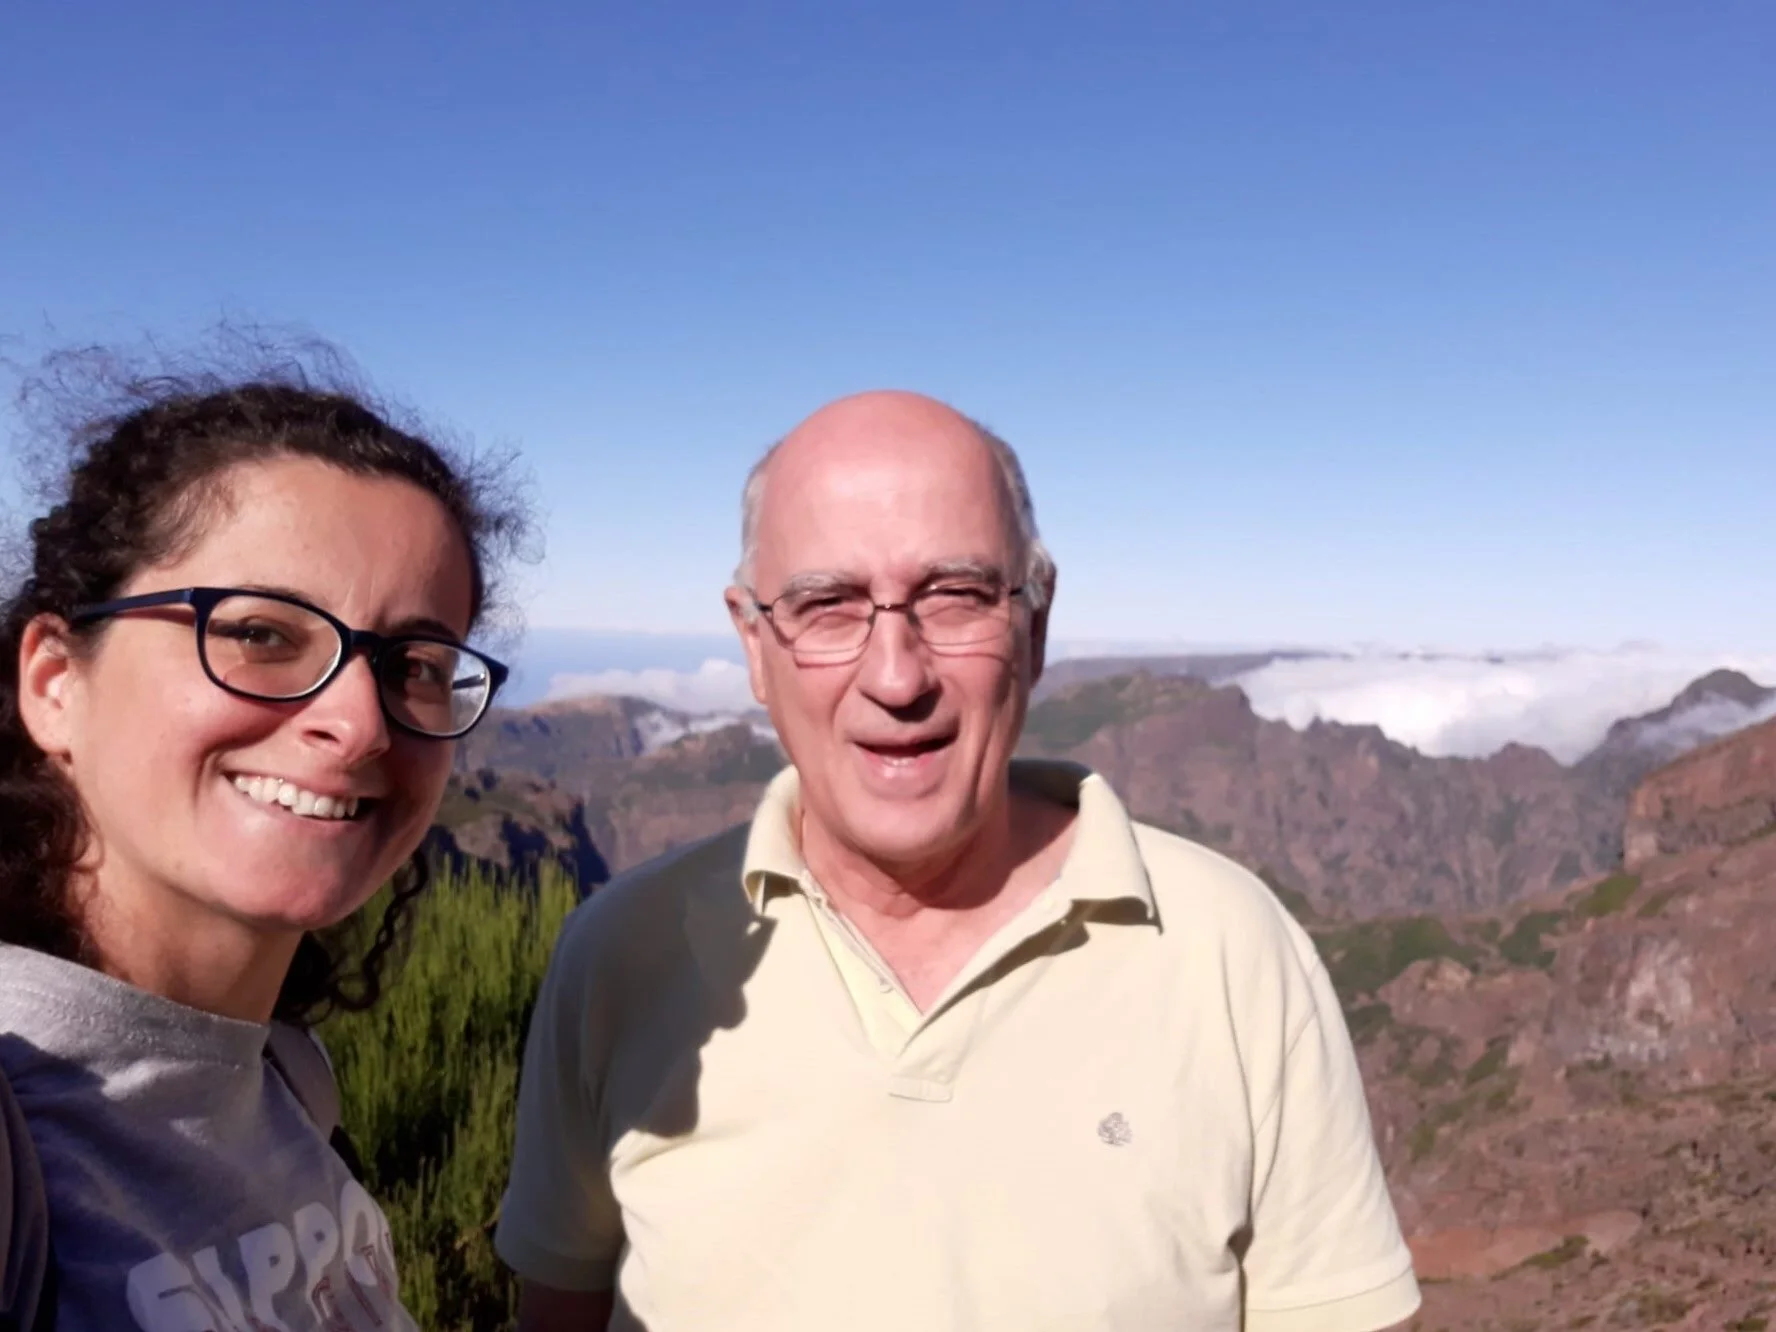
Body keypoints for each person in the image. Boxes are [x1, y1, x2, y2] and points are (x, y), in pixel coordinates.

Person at [496, 391, 1421, 1331]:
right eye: (827, 605)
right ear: (753, 644)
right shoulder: (619, 956)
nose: (897, 677)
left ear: (1037, 623)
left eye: (957, 596)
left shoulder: (1234, 953)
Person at [0, 350, 522, 1330]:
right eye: (261, 635)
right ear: (55, 682)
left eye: (414, 661)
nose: (359, 723)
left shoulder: (285, 1082)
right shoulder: (18, 1123)